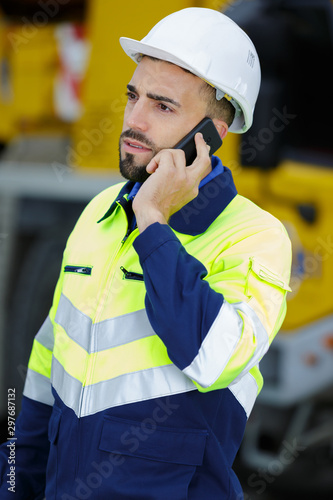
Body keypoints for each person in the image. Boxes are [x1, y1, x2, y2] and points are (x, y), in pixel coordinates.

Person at [0, 7, 292, 500]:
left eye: (162, 106)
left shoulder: (256, 237)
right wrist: (12, 484)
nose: (132, 121)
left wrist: (154, 221)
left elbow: (211, 358)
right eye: (133, 96)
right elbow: (42, 379)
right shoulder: (98, 213)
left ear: (211, 136)